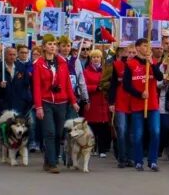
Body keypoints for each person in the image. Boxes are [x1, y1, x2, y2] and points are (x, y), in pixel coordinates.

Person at [33, 34, 78, 174]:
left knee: (59, 133)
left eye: (54, 44)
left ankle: (48, 160)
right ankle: (53, 163)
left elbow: (67, 84)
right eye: (49, 44)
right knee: (50, 132)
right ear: (44, 47)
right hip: (46, 102)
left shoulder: (63, 62)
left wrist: (74, 101)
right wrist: (38, 106)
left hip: (62, 102)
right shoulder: (38, 64)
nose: (52, 46)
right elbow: (36, 87)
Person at [123, 38, 163, 172]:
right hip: (137, 105)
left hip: (152, 105)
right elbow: (126, 86)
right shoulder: (130, 64)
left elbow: (160, 77)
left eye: (149, 46)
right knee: (138, 134)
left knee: (156, 132)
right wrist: (140, 94)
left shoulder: (153, 62)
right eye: (145, 46)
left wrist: (152, 64)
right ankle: (138, 161)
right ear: (138, 47)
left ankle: (153, 161)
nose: (148, 48)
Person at [82, 48, 111, 157]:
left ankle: (102, 149)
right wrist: (96, 88)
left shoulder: (105, 71)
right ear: (91, 59)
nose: (96, 59)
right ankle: (92, 148)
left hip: (103, 101)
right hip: (92, 101)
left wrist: (105, 86)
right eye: (94, 57)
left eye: (98, 57)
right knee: (92, 126)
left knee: (103, 127)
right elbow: (83, 86)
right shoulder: (86, 71)